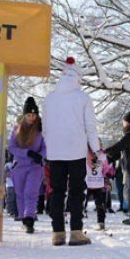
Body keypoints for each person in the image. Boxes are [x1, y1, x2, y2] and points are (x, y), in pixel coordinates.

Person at [42, 57, 100, 246]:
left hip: (55, 151)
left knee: (56, 191)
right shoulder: (83, 98)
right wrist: (96, 150)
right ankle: (76, 231)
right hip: (76, 150)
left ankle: (57, 232)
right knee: (76, 191)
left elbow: (45, 127)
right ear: (78, 76)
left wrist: (48, 147)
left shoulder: (49, 98)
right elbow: (90, 126)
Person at [9, 97, 47, 234]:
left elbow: (46, 147)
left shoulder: (41, 130)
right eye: (29, 115)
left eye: (34, 115)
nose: (32, 118)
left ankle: (29, 219)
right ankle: (23, 217)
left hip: (35, 167)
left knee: (30, 193)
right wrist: (27, 153)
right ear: (24, 115)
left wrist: (40, 156)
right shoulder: (16, 129)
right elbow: (11, 147)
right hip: (19, 166)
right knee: (20, 193)